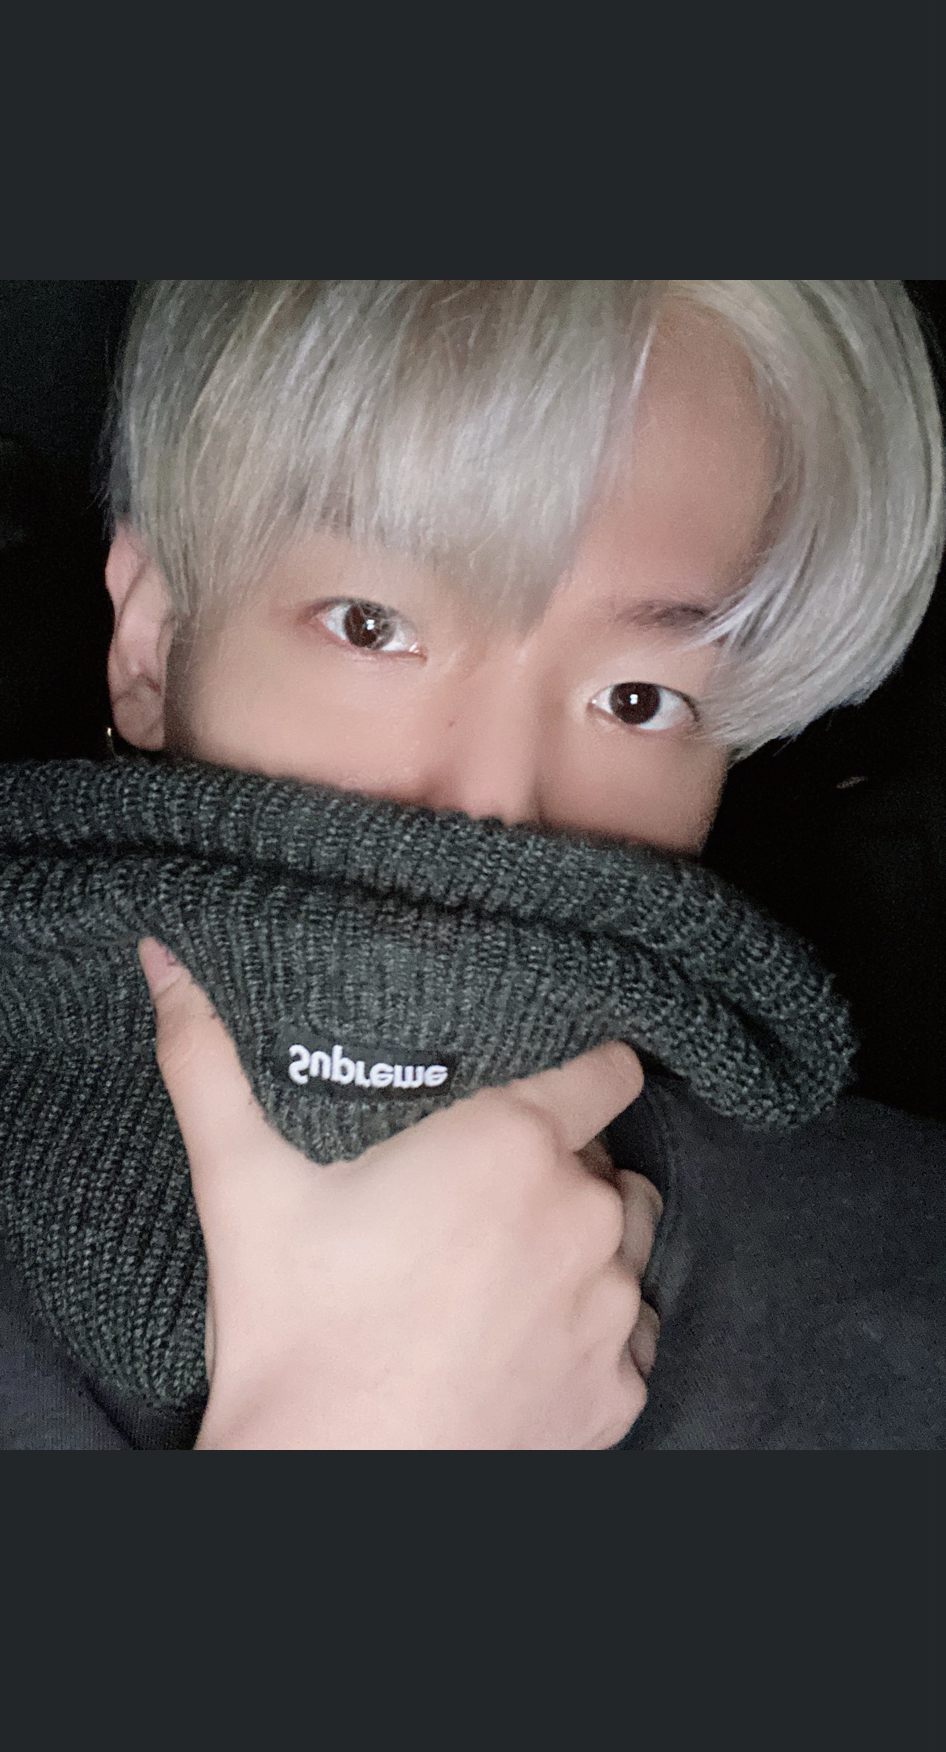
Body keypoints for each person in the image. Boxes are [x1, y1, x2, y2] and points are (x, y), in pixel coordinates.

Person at [0, 279, 944, 1449]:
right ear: (151, 643)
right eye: (372, 625)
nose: (493, 808)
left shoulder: (898, 1277)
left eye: (636, 699)